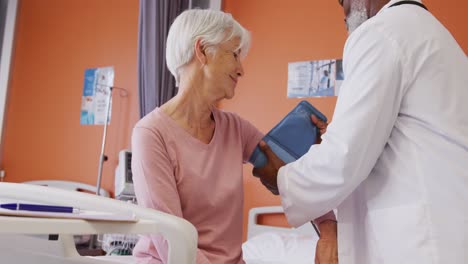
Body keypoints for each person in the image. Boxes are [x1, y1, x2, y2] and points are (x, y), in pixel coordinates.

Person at [253, 0, 468, 263]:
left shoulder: (381, 33)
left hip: (424, 241)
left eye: (343, 0)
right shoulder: (433, 35)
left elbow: (345, 156)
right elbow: (393, 144)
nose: (342, 10)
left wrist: (283, 178)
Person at [131, 9, 334, 264]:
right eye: (235, 54)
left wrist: (328, 229)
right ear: (202, 50)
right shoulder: (151, 134)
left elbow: (288, 172)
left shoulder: (234, 129)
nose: (241, 70)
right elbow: (170, 240)